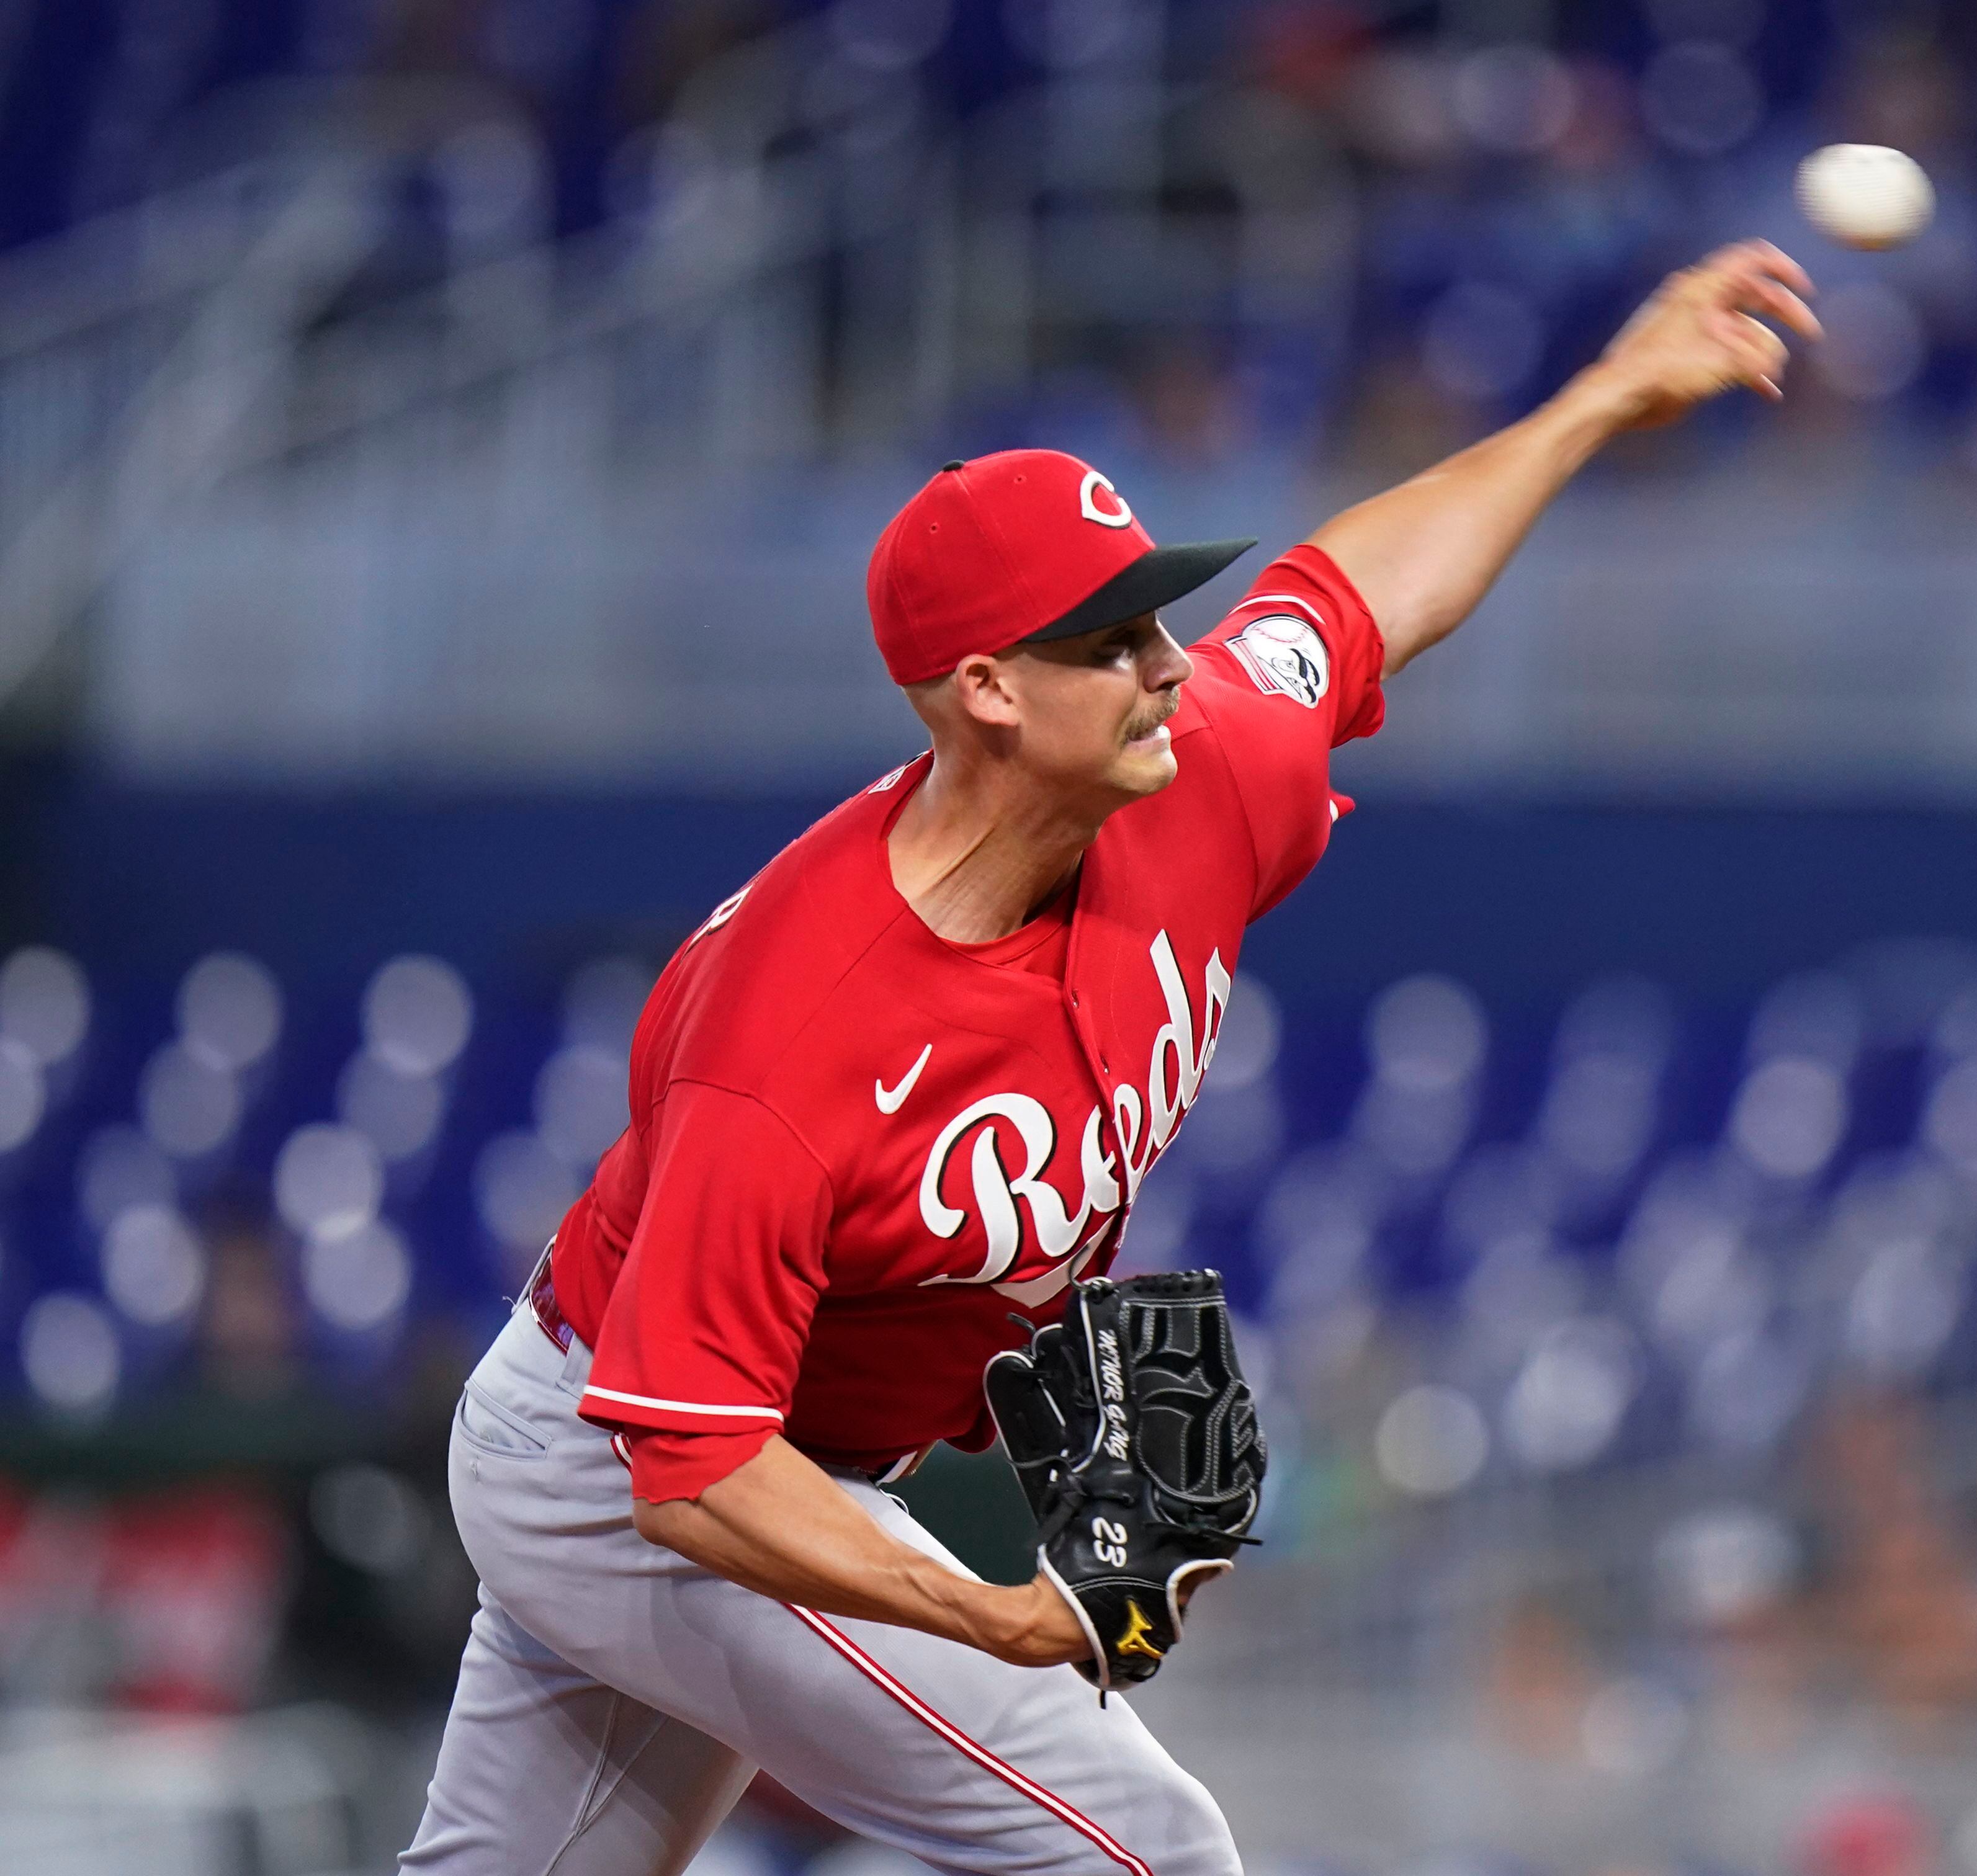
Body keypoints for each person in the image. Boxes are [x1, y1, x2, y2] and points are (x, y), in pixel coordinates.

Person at [398, 241, 1821, 1875]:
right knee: (1146, 1848)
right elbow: (688, 1461)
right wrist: (985, 1606)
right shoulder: (794, 1029)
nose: (1164, 661)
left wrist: (1598, 399)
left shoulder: (1196, 766)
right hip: (631, 1468)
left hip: (766, 1459)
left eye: (1155, 611)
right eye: (1107, 638)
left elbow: (1355, 599)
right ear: (990, 691)